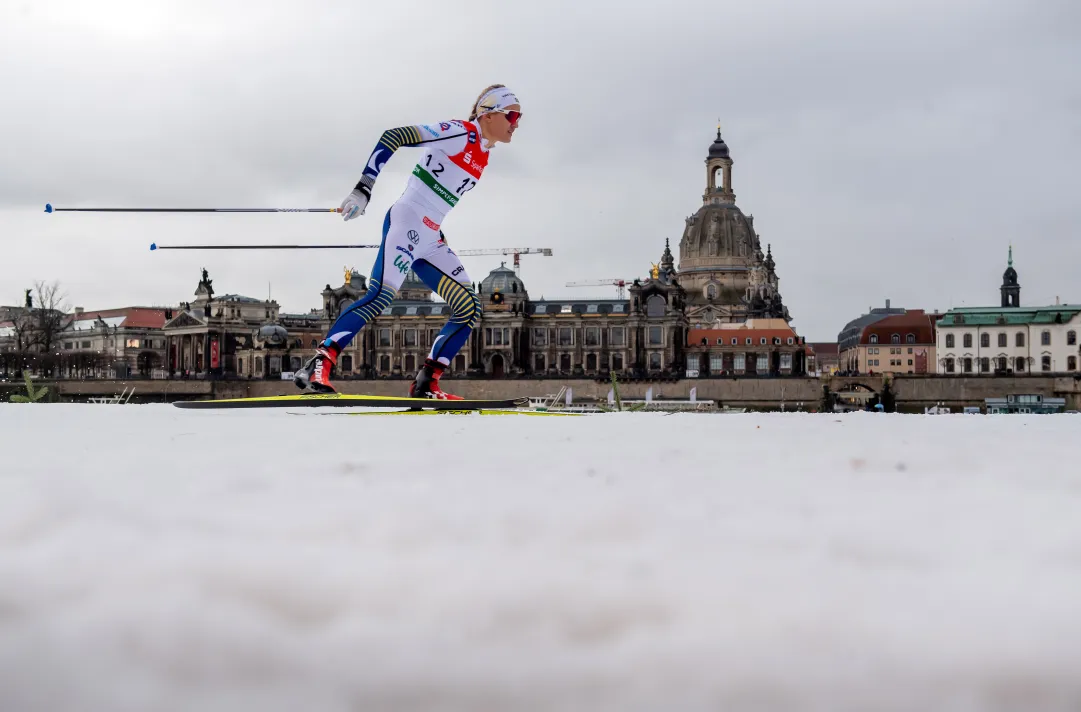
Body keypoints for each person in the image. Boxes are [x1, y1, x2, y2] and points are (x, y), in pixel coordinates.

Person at [294, 84, 522, 399]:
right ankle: (316, 366)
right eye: (512, 114)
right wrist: (363, 188)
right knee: (379, 296)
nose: (516, 122)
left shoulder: (483, 152)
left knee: (468, 308)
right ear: (489, 112)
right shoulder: (460, 131)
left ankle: (426, 382)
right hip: (407, 222)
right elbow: (394, 136)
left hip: (431, 235)